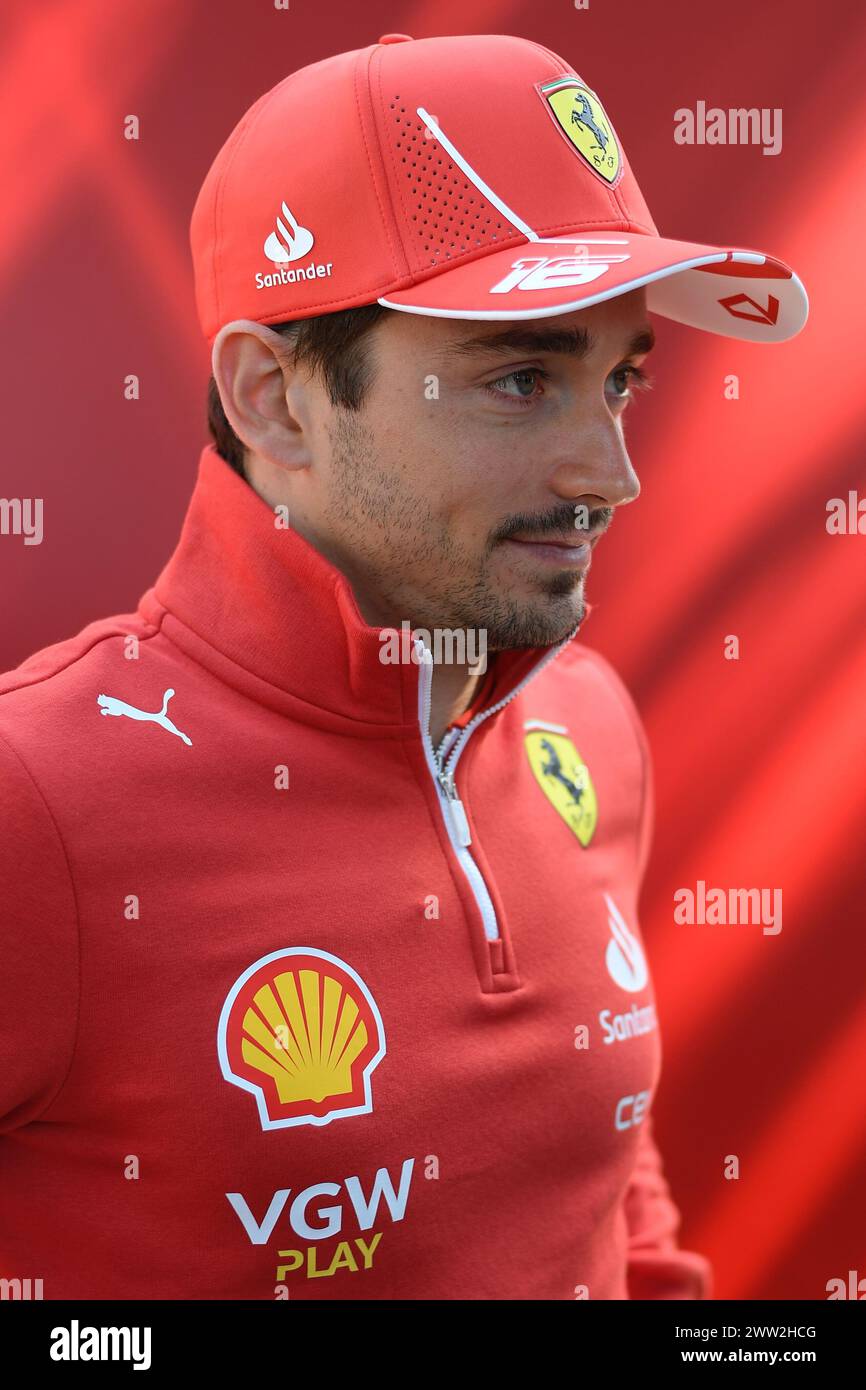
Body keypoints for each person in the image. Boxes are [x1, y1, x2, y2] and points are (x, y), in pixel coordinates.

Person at [0, 32, 807, 1300]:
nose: (609, 475)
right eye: (521, 379)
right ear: (273, 398)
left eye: (618, 382)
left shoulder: (582, 722)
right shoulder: (33, 799)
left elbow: (603, 1164)